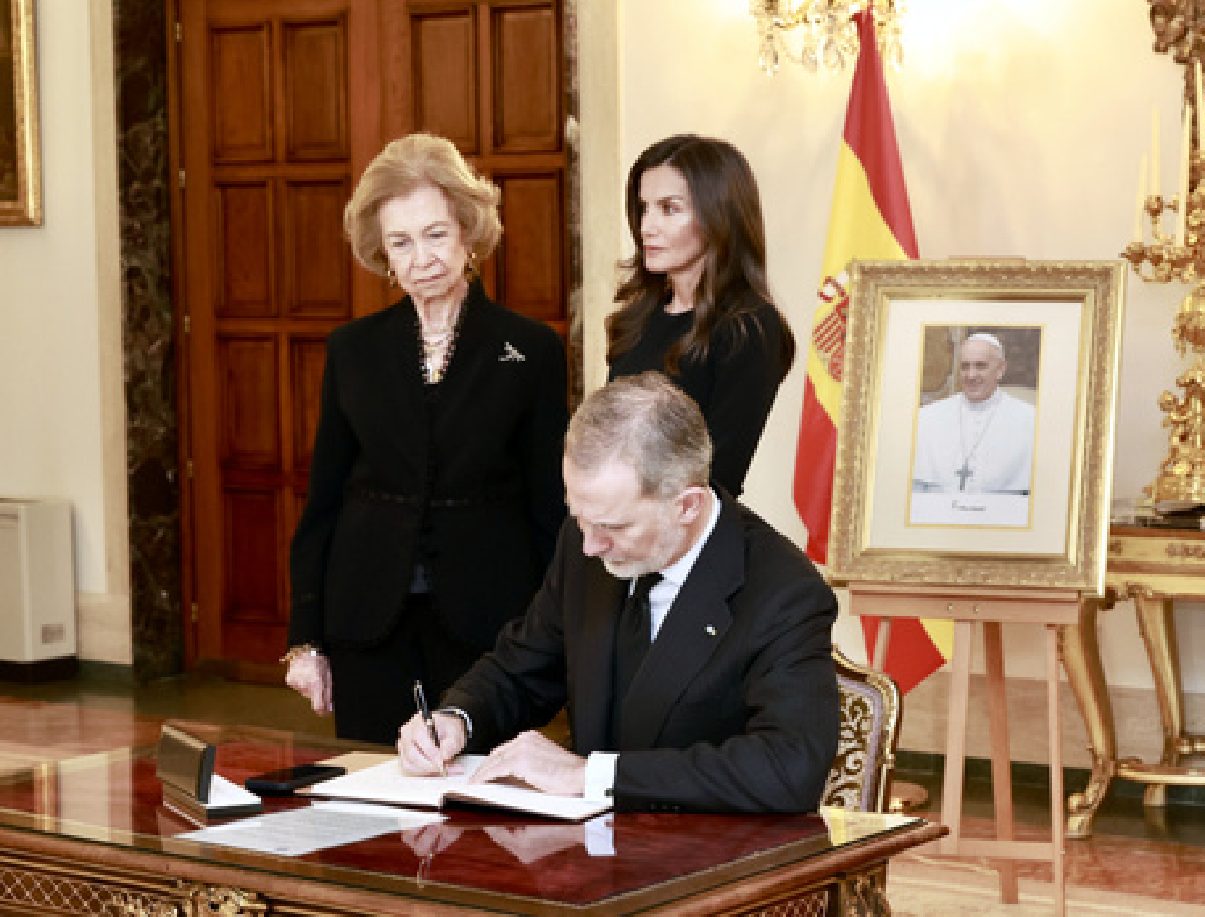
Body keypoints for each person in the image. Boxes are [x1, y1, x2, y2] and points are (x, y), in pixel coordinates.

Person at [395, 372, 837, 814]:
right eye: (579, 518)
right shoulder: (586, 542)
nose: (590, 545)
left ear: (687, 505)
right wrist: (458, 719)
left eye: (612, 526)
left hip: (704, 844)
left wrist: (592, 776)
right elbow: (522, 669)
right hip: (585, 840)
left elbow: (789, 766)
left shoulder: (783, 593)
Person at [285, 133, 570, 745]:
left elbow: (550, 506)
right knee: (370, 784)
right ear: (383, 253)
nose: (422, 258)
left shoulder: (530, 350)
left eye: (435, 234)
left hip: (489, 621)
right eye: (401, 242)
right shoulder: (353, 350)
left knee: (480, 787)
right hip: (367, 617)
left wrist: (560, 636)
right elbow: (323, 502)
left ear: (468, 230)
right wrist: (305, 640)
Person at [605, 135, 794, 497]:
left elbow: (720, 474)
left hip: (680, 522)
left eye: (669, 209)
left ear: (718, 216)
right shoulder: (637, 318)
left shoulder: (749, 327)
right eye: (644, 208)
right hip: (614, 516)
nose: (647, 226)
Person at [912, 332, 1036, 494]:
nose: (971, 375)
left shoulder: (1030, 420)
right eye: (965, 366)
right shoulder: (926, 419)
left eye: (980, 366)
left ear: (1000, 369)